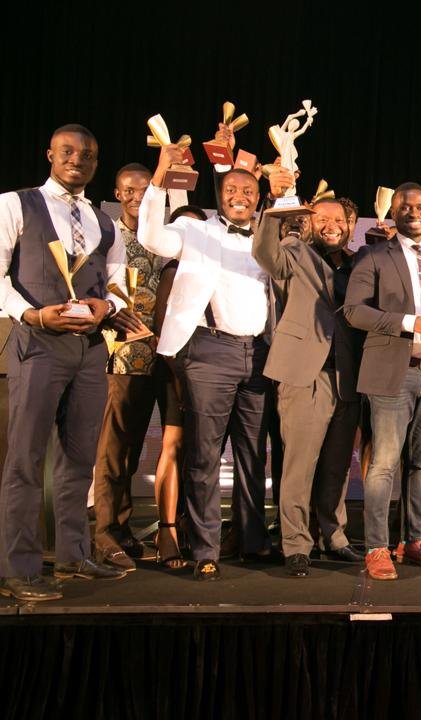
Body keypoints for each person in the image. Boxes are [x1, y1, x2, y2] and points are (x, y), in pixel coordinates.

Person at [0, 124, 137, 601]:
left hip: (89, 349)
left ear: (96, 162)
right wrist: (32, 314)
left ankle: (74, 554)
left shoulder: (105, 221)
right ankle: (18, 569)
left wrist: (107, 307)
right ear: (50, 155)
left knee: (79, 458)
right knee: (26, 459)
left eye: (88, 154)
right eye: (68, 151)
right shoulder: (15, 204)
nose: (78, 159)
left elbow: (117, 282)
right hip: (38, 344)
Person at [139, 145, 277, 582]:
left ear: (258, 198)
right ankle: (205, 549)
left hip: (259, 354)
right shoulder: (194, 229)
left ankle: (252, 539)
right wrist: (159, 179)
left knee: (253, 453)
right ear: (220, 194)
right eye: (232, 189)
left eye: (248, 191)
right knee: (204, 454)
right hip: (209, 350)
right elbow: (151, 238)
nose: (240, 196)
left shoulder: (267, 236)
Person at [343, 182, 421, 581]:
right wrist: (413, 323)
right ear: (393, 212)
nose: (414, 211)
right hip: (392, 373)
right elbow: (353, 312)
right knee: (383, 465)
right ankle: (376, 547)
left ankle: (413, 540)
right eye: (405, 206)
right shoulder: (374, 255)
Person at [253, 195, 363, 578]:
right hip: (305, 375)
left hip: (347, 378)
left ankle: (334, 535)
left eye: (339, 220)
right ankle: (297, 543)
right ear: (309, 222)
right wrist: (274, 212)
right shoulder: (294, 251)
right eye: (323, 218)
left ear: (350, 225)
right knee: (299, 466)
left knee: (337, 467)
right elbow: (265, 254)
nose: (331, 225)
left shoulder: (359, 263)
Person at [92, 163, 161, 571]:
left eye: (145, 190)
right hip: (118, 356)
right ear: (118, 194)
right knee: (112, 450)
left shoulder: (161, 238)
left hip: (156, 358)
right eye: (130, 191)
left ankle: (120, 526)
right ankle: (102, 533)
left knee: (131, 452)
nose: (137, 197)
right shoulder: (109, 237)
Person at [150, 205, 207, 570]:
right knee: (174, 444)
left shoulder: (213, 268)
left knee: (200, 453)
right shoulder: (173, 269)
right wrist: (182, 377)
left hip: (212, 371)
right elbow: (162, 331)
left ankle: (192, 524)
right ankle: (167, 530)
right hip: (177, 370)